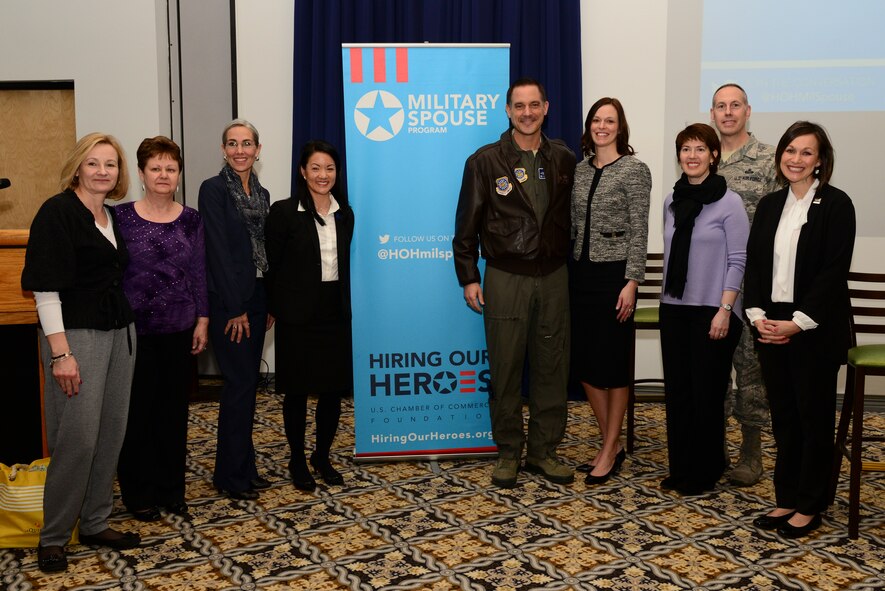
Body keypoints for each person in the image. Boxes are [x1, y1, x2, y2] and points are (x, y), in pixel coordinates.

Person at [21, 133, 141, 573]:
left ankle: (94, 521)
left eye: (110, 164)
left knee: (111, 431)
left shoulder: (108, 214)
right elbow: (45, 289)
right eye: (93, 163)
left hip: (119, 333)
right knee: (77, 438)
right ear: (77, 167)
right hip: (76, 337)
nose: (102, 171)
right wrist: (60, 354)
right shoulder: (57, 212)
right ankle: (54, 536)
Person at [453, 78, 577, 488]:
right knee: (505, 369)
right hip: (505, 276)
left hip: (554, 276)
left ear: (546, 107)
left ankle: (544, 450)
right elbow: (465, 225)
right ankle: (508, 450)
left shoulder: (563, 158)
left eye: (534, 105)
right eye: (519, 105)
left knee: (552, 367)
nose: (527, 112)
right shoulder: (485, 161)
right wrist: (469, 276)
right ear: (507, 110)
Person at [745, 121, 855, 538]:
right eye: (790, 150)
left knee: (813, 419)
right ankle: (787, 497)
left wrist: (796, 324)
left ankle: (811, 504)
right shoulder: (771, 205)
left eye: (806, 152)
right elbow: (755, 265)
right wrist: (758, 316)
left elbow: (832, 273)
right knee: (785, 418)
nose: (796, 159)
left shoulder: (837, 204)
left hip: (814, 328)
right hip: (771, 323)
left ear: (821, 161)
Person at [116, 136, 208, 520]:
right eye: (155, 168)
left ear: (179, 173)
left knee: (173, 415)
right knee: (136, 416)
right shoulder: (118, 218)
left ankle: (172, 490)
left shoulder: (191, 219)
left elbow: (200, 272)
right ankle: (139, 494)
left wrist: (203, 319)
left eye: (170, 168)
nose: (163, 174)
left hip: (179, 330)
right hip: (132, 336)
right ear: (141, 173)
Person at [659, 123, 749, 496]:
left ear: (714, 155)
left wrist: (725, 309)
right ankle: (681, 467)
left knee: (707, 395)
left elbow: (739, 260)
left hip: (714, 310)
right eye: (685, 149)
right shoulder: (671, 200)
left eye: (700, 149)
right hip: (674, 308)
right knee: (678, 392)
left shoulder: (730, 202)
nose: (692, 156)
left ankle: (707, 469)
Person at [569, 98, 651, 485]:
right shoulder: (580, 170)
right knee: (585, 365)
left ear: (621, 127)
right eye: (597, 120)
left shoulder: (635, 170)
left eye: (610, 120)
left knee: (614, 366)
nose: (602, 126)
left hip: (615, 278)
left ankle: (608, 447)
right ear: (589, 126)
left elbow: (640, 230)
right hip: (580, 276)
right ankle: (611, 442)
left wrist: (632, 282)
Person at [265, 140, 354, 491]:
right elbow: (272, 266)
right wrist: (274, 306)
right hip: (297, 314)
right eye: (315, 168)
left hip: (334, 310)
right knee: (298, 391)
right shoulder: (284, 212)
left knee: (332, 391)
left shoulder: (345, 213)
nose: (323, 175)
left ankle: (322, 456)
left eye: (329, 168)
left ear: (337, 173)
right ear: (303, 172)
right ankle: (297, 459)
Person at [199, 119, 274, 500]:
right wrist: (235, 308)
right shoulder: (213, 190)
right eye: (232, 143)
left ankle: (243, 466)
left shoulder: (262, 193)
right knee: (239, 386)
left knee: (247, 387)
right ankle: (230, 476)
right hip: (232, 303)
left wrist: (268, 302)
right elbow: (218, 253)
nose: (240, 150)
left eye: (247, 143)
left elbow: (266, 250)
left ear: (258, 150)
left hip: (258, 298)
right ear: (223, 150)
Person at [710, 83, 780, 487]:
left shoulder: (771, 160)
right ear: (712, 113)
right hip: (711, 286)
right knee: (714, 370)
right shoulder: (705, 156)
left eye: (735, 105)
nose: (728, 112)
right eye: (721, 106)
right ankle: (714, 447)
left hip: (752, 286)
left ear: (748, 111)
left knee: (751, 374)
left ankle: (751, 453)